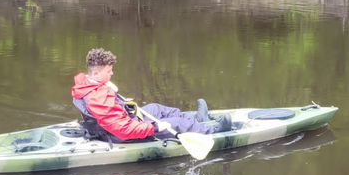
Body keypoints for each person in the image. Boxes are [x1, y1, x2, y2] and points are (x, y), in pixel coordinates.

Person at [71, 48, 232, 142]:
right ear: (97, 72)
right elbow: (122, 129)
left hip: (120, 123)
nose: (112, 73)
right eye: (109, 70)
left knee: (156, 109)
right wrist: (153, 127)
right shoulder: (98, 98)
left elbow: (109, 113)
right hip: (119, 135)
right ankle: (215, 132)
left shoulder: (87, 82)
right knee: (176, 124)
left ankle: (198, 120)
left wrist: (122, 105)